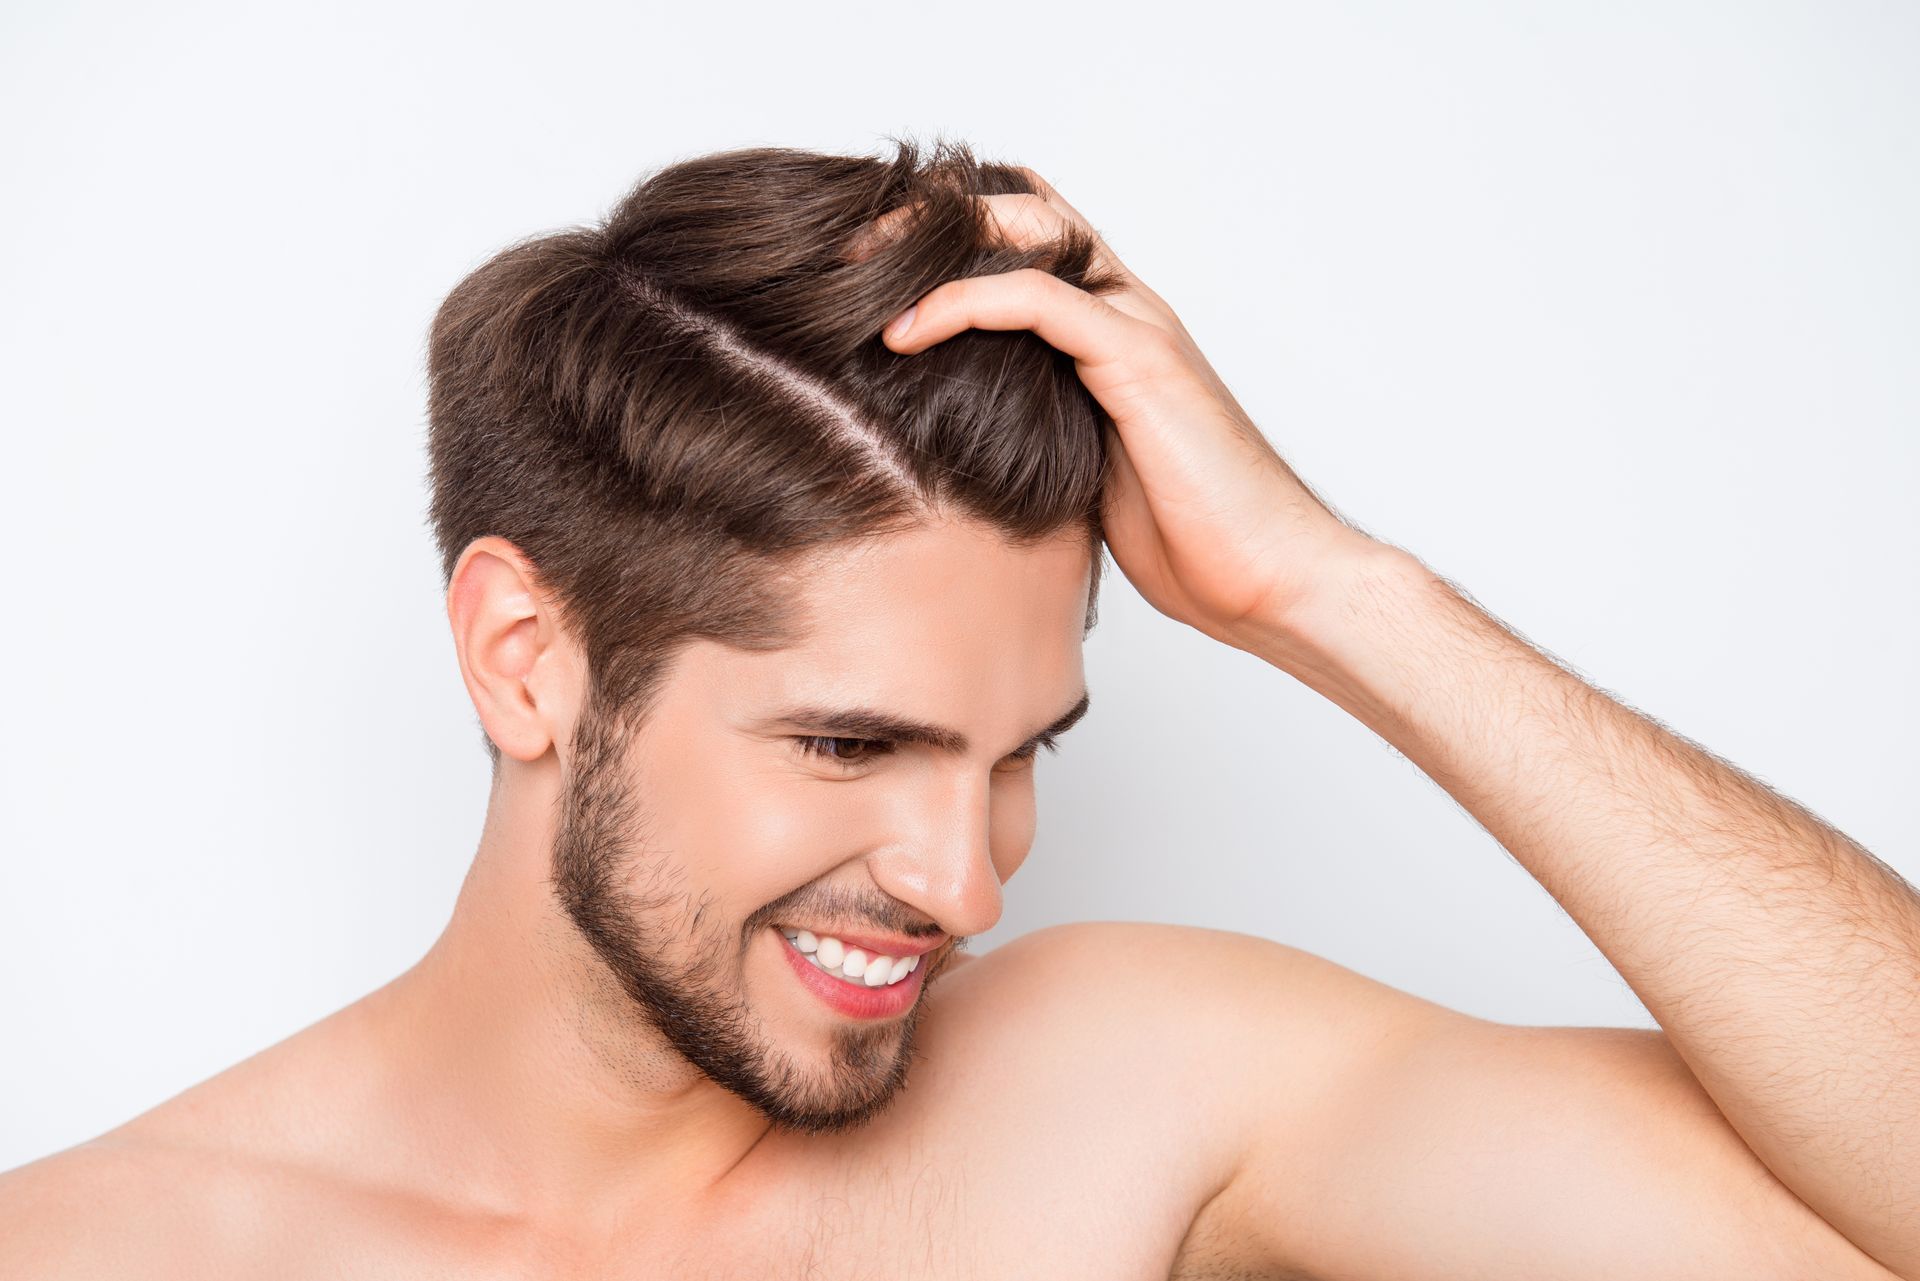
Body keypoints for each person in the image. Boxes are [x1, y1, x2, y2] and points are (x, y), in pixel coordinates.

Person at [2, 137, 1915, 1281]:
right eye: (851, 742)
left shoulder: (1127, 1087)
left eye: (1022, 759)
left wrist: (1337, 592)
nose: (967, 884)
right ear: (527, 657)